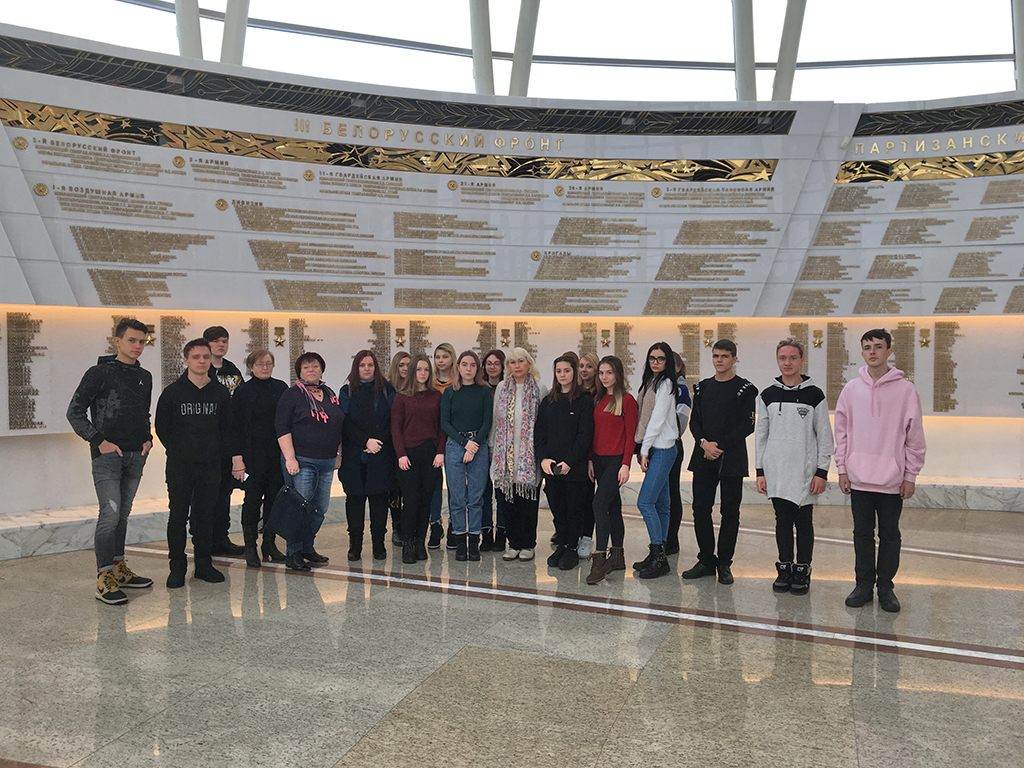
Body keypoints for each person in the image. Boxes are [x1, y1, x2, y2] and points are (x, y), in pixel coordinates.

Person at [835, 329, 926, 613]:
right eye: (867, 347)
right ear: (862, 353)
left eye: (878, 346)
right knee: (862, 535)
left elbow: (914, 436)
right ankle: (863, 586)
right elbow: (842, 433)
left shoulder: (906, 390)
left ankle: (885, 587)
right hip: (859, 478)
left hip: (891, 479)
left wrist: (910, 475)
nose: (872, 351)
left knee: (890, 536)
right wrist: (842, 469)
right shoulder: (851, 389)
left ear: (889, 351)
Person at [67, 318, 154, 605]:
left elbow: (143, 413)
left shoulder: (145, 376)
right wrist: (99, 442)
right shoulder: (99, 373)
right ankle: (104, 578)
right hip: (107, 456)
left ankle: (118, 568)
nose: (137, 346)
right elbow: (75, 412)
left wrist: (148, 438)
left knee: (123, 515)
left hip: (135, 456)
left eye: (142, 341)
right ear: (117, 341)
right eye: (132, 340)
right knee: (110, 515)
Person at [755, 339, 833, 595]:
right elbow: (761, 436)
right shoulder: (767, 395)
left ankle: (803, 568)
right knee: (782, 521)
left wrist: (821, 471)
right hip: (776, 470)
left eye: (792, 358)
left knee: (804, 522)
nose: (787, 363)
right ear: (777, 360)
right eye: (782, 358)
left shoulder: (814, 395)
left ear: (801, 360)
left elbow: (824, 436)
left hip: (804, 472)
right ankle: (785, 567)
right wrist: (760, 471)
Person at [155, 338, 233, 587]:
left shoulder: (220, 393)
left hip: (211, 465)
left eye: (206, 357)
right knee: (178, 515)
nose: (202, 361)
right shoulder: (172, 393)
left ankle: (203, 564)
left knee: (205, 516)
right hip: (181, 465)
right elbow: (162, 428)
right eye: (196, 357)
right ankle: (177, 566)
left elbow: (227, 428)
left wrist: (217, 452)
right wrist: (181, 450)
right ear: (185, 360)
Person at [683, 340, 758, 585]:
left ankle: (724, 562)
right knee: (700, 509)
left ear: (734, 359)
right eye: (716, 356)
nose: (719, 360)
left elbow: (747, 425)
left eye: (725, 356)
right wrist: (704, 443)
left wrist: (720, 445)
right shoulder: (702, 387)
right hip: (704, 455)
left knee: (730, 511)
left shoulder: (745, 389)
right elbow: (695, 422)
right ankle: (706, 559)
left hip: (731, 458)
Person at [275, 352, 344, 571]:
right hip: (302, 461)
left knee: (319, 509)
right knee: (300, 508)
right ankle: (293, 553)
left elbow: (337, 425)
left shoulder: (329, 393)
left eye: (315, 366)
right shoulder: (291, 395)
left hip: (327, 461)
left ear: (322, 370)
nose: (311, 370)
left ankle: (307, 547)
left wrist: (339, 454)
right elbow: (282, 427)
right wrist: (290, 458)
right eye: (306, 367)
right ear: (299, 372)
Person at [230, 349, 289, 568]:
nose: (265, 367)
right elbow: (235, 428)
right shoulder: (243, 392)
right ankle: (250, 546)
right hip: (252, 456)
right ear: (251, 367)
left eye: (268, 363)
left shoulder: (281, 388)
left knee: (275, 500)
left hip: (277, 455)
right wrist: (237, 459)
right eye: (259, 364)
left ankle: (269, 543)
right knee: (252, 501)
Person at [537, 355, 595, 571]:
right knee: (558, 510)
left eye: (567, 370)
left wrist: (569, 462)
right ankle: (561, 545)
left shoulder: (584, 400)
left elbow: (584, 435)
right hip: (551, 468)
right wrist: (543, 458)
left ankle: (572, 548)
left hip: (574, 468)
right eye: (559, 371)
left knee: (574, 510)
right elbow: (540, 432)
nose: (562, 375)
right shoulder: (548, 401)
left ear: (574, 372)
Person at [338, 350, 397, 562]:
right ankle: (355, 546)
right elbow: (344, 422)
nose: (366, 368)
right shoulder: (346, 391)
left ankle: (379, 545)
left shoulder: (387, 389)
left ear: (376, 367)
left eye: (370, 365)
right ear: (356, 367)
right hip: (354, 456)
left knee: (379, 501)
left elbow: (393, 420)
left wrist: (377, 442)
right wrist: (365, 442)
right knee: (355, 501)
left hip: (381, 454)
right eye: (362, 365)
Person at [492, 347, 548, 562]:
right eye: (512, 362)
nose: (516, 366)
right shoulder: (501, 388)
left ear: (529, 364)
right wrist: (492, 449)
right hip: (504, 456)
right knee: (508, 502)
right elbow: (496, 421)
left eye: (521, 361)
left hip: (529, 457)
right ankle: (513, 544)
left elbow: (543, 424)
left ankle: (528, 544)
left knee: (527, 502)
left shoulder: (539, 388)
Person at [585, 355, 637, 585]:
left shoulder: (627, 400)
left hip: (616, 461)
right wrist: (590, 460)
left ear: (618, 374)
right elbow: (593, 433)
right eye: (602, 373)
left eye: (609, 372)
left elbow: (631, 436)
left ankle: (600, 558)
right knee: (613, 507)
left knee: (599, 504)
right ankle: (617, 556)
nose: (605, 377)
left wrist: (626, 464)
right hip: (598, 460)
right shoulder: (596, 398)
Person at [632, 342, 679, 579]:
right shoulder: (651, 381)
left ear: (667, 361)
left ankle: (658, 556)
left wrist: (644, 449)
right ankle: (658, 554)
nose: (655, 362)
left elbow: (657, 420)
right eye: (652, 358)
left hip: (663, 449)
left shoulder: (667, 383)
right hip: (655, 448)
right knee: (661, 504)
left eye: (660, 358)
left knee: (645, 502)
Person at [391, 354, 445, 564]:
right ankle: (408, 544)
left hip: (431, 454)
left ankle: (420, 542)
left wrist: (440, 451)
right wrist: (401, 454)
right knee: (411, 500)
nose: (423, 373)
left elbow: (441, 426)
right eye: (419, 369)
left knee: (426, 500)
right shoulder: (401, 397)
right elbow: (396, 428)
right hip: (408, 455)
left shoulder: (436, 396)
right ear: (412, 371)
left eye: (426, 370)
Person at [440, 351, 493, 561]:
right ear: (458, 367)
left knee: (476, 498)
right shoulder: (450, 392)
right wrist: (465, 444)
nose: (468, 369)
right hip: (455, 445)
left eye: (472, 365)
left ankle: (474, 542)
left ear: (477, 368)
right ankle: (460, 540)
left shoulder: (484, 391)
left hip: (478, 446)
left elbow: (487, 421)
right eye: (464, 364)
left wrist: (474, 445)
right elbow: (445, 423)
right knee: (457, 498)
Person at [203, 325, 245, 556]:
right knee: (206, 495)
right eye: (216, 341)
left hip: (229, 442)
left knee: (224, 493)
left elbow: (242, 399)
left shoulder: (232, 370)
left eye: (224, 341)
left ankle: (221, 538)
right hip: (208, 442)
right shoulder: (201, 368)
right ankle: (205, 540)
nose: (221, 345)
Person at [428, 342, 458, 549]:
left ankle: (454, 525)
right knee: (434, 485)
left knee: (455, 485)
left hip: (454, 439)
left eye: (445, 356)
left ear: (452, 359)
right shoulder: (429, 383)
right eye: (437, 357)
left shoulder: (459, 382)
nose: (441, 361)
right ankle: (435, 524)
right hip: (433, 439)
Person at [666, 352, 692, 556]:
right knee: (661, 494)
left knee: (671, 492)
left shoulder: (681, 390)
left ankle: (671, 540)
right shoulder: (658, 387)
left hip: (671, 445)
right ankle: (661, 538)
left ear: (678, 367)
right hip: (656, 447)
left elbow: (680, 423)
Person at [576, 352, 601, 559]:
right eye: (581, 366)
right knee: (576, 497)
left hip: (595, 451)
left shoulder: (600, 394)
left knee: (588, 497)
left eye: (589, 366)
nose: (584, 370)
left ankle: (586, 536)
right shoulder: (573, 391)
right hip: (576, 452)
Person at [481, 349, 506, 551]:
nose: (492, 367)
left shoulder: (508, 387)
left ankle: (502, 533)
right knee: (484, 492)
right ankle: (487, 533)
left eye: (496, 363)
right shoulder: (480, 388)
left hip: (504, 448)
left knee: (502, 493)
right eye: (489, 363)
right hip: (482, 446)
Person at [386, 351, 412, 546]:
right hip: (389, 446)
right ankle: (397, 527)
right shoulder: (387, 389)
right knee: (394, 489)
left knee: (409, 489)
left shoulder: (416, 388)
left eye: (408, 365)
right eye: (401, 365)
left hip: (411, 445)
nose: (405, 369)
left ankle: (410, 526)